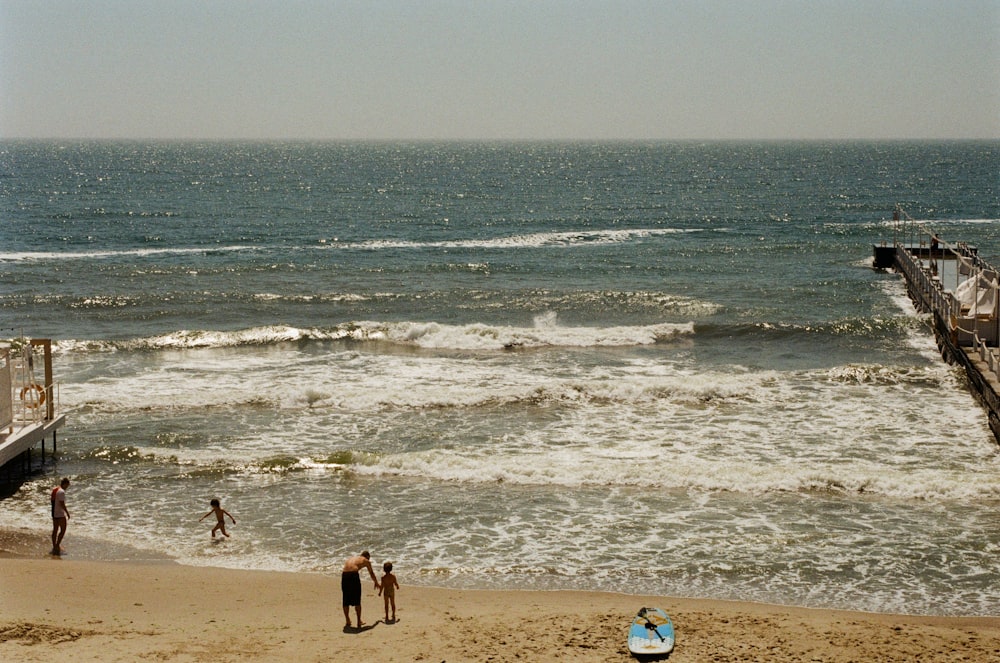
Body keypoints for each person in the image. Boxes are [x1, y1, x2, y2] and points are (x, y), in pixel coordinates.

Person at [342, 551, 380, 628]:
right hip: (353, 575)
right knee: (357, 599)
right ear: (367, 556)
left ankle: (347, 620)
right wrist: (376, 582)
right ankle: (359, 621)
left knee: (346, 599)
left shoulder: (353, 558)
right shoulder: (366, 560)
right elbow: (371, 573)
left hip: (344, 575)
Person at [50, 477, 70, 555]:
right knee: (63, 530)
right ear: (65, 484)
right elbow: (62, 504)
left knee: (55, 530)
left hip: (54, 513)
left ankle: (55, 545)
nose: (67, 487)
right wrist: (67, 512)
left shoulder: (55, 490)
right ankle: (57, 545)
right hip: (60, 514)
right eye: (67, 486)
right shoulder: (61, 492)